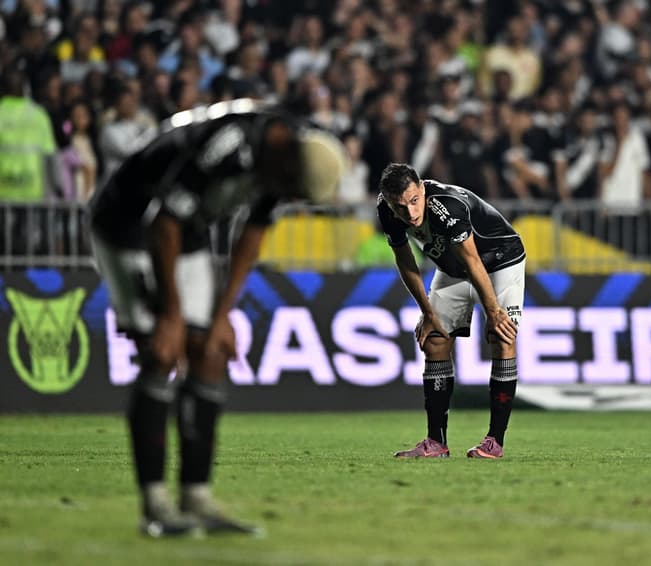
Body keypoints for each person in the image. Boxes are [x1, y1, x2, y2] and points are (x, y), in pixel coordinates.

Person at [88, 98, 344, 537]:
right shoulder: (229, 147)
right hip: (128, 223)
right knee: (162, 352)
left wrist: (223, 314)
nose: (287, 196)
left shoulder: (286, 152)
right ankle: (155, 506)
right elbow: (161, 221)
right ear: (285, 161)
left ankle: (197, 499)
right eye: (291, 188)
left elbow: (254, 231)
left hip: (184, 231)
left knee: (210, 353)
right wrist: (171, 312)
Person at [377, 163, 525, 459]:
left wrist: (494, 310)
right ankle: (436, 442)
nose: (409, 213)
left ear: (422, 189)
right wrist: (427, 311)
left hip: (499, 260)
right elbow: (406, 261)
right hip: (453, 266)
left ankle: (494, 441)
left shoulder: (447, 206)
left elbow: (473, 260)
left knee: (502, 336)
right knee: (435, 340)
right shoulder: (386, 209)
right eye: (400, 206)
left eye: (414, 201)